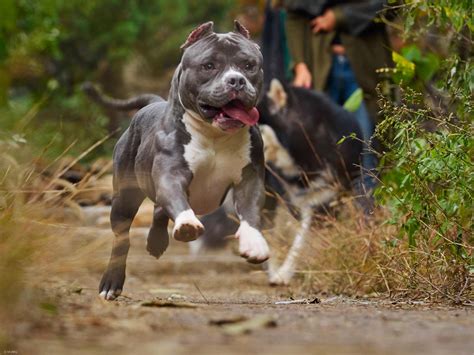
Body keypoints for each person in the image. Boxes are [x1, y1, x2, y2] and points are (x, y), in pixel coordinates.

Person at [282, 0, 393, 212]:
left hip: (364, 70)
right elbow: (294, 14)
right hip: (321, 70)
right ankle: (328, 223)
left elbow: (391, 5)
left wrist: (339, 16)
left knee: (366, 146)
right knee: (322, 151)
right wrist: (300, 66)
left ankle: (367, 222)